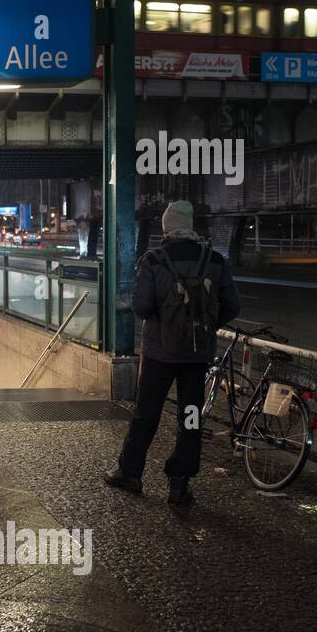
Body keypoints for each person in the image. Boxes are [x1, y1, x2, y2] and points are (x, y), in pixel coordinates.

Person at [105, 200, 241, 505]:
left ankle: (130, 473)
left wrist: (168, 321)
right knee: (190, 417)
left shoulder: (153, 260)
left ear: (166, 227)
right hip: (198, 355)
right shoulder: (215, 260)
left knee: (146, 414)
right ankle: (179, 483)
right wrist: (204, 325)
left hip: (159, 353)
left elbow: (141, 306)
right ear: (190, 225)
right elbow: (233, 306)